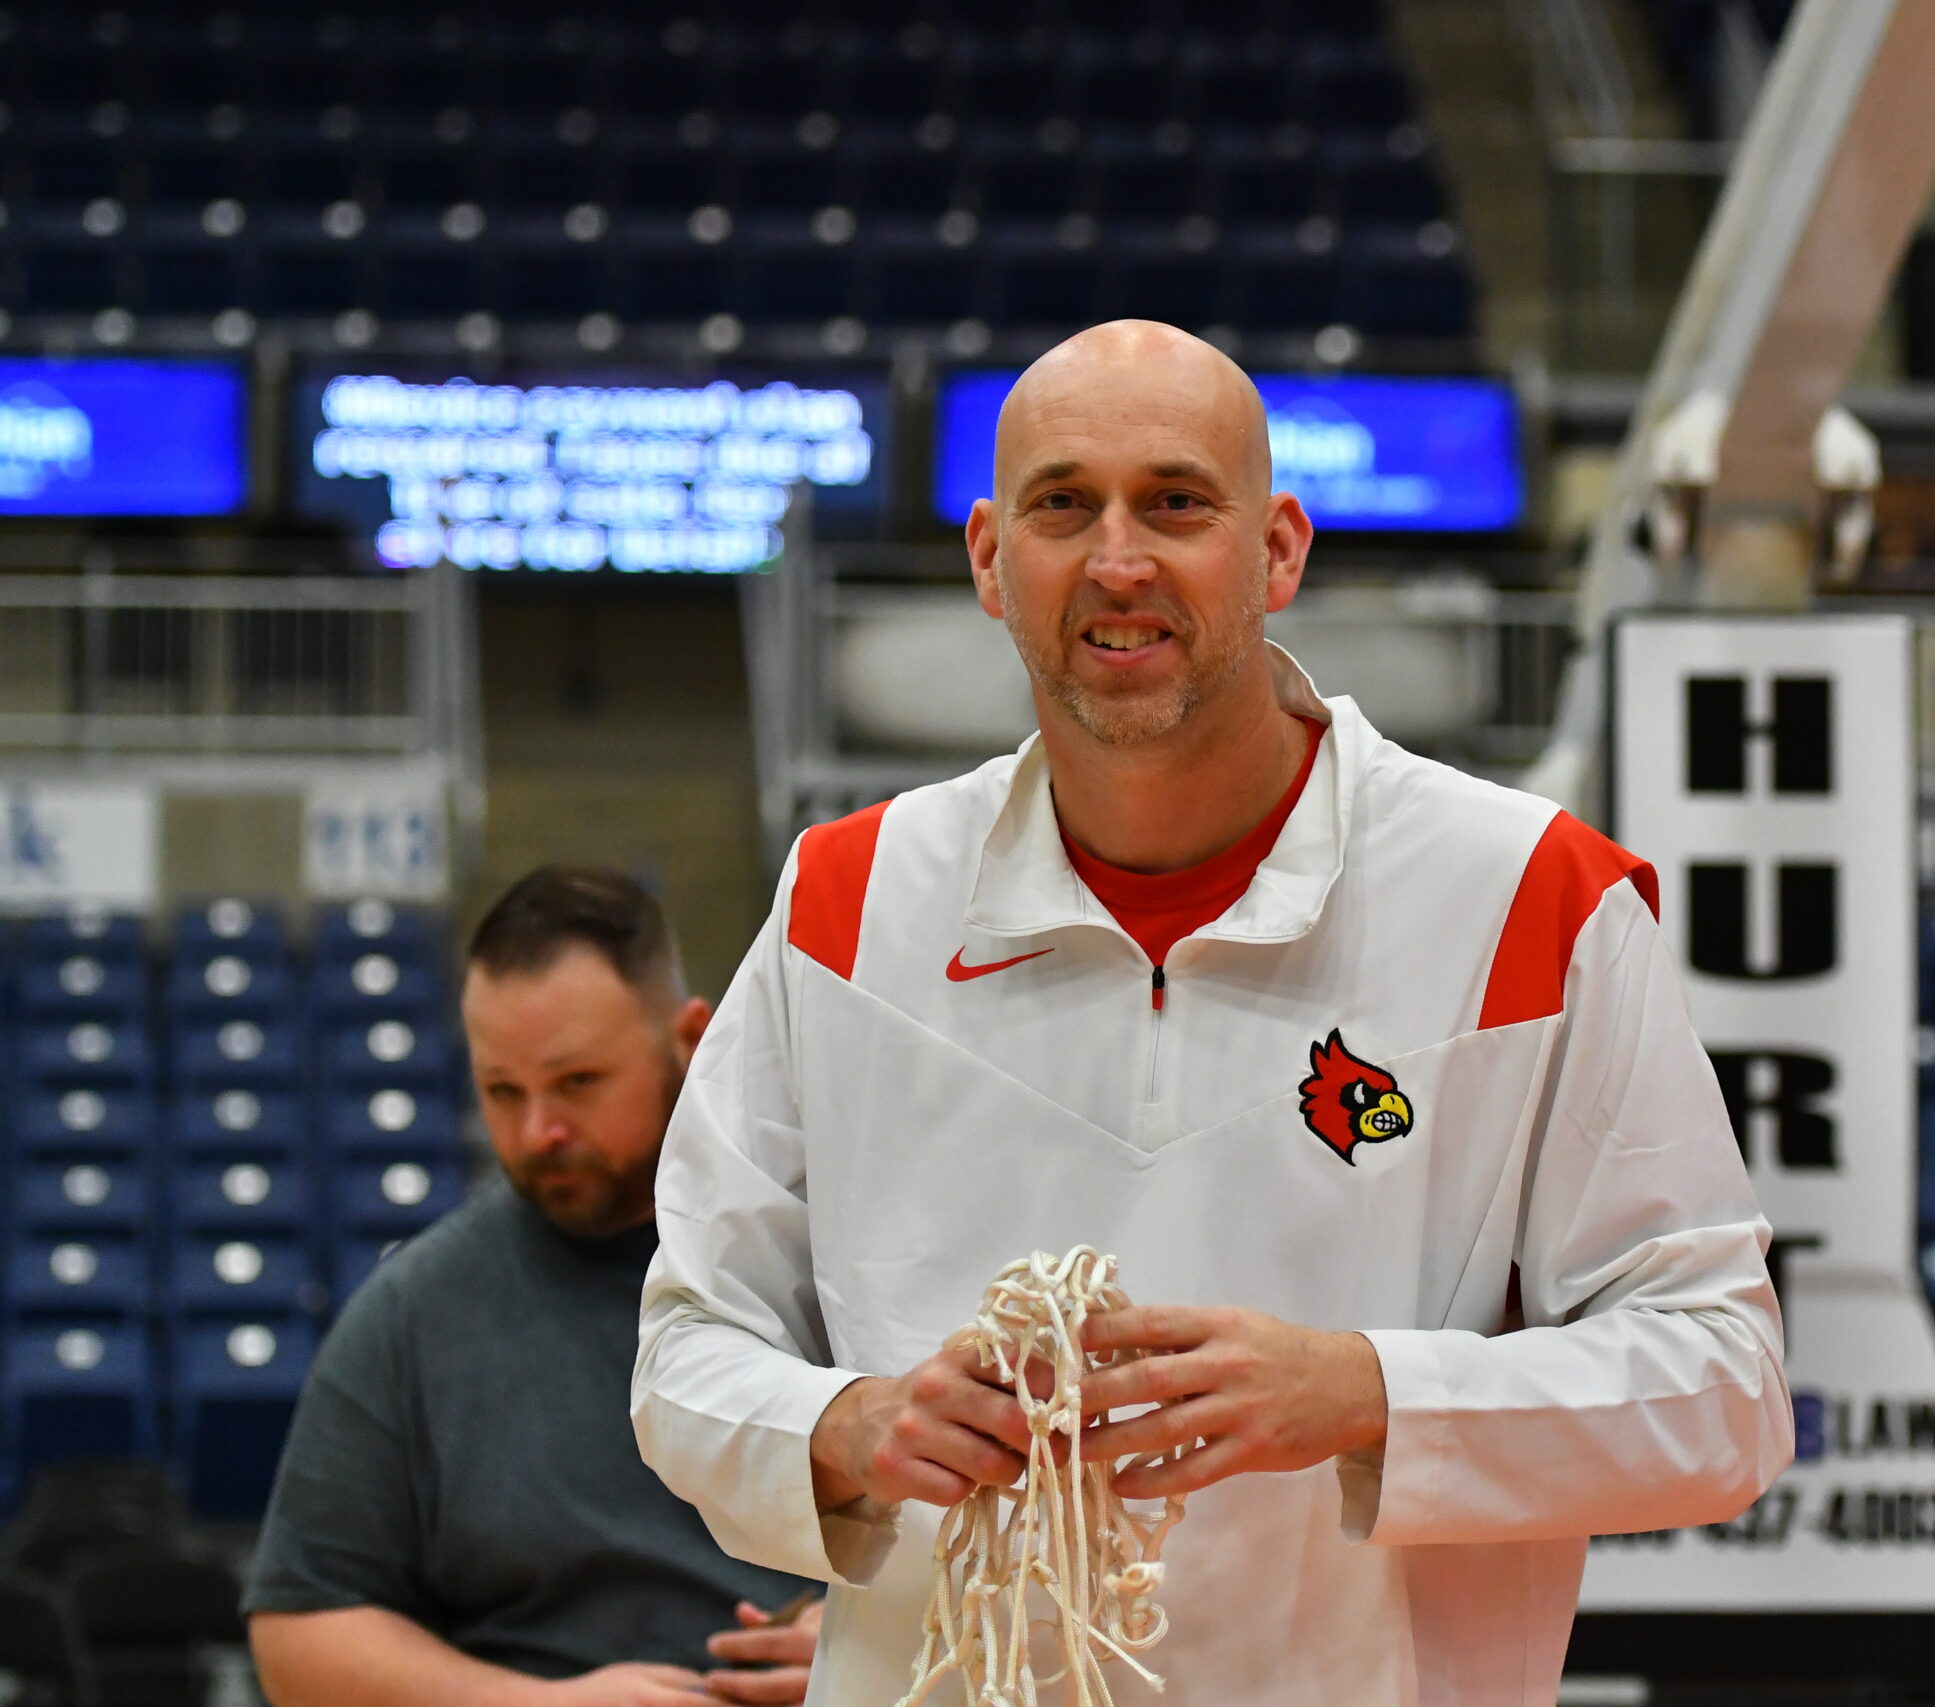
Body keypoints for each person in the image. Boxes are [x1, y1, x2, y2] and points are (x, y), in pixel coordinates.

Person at [632, 321, 1793, 1706]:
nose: (1119, 560)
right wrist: (845, 1419)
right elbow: (689, 1348)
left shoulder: (1532, 893)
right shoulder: (847, 894)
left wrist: (1365, 1389)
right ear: (991, 561)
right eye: (1065, 505)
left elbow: (1722, 1383)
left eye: (1176, 502)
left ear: (1279, 549)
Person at [247, 868, 824, 1707]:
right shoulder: (415, 1309)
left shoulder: (828, 1256)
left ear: (692, 1040)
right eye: (502, 1091)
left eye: (579, 1082)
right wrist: (535, 1704)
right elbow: (298, 1633)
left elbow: (1009, 1541)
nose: (538, 1131)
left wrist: (872, 1651)